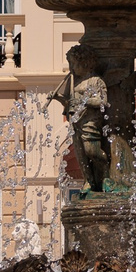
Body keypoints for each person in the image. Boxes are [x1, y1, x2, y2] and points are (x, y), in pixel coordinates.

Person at [52, 45, 113, 193]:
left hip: (90, 120)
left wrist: (86, 101)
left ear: (86, 63)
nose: (72, 67)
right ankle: (88, 182)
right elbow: (68, 102)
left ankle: (106, 173)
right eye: (70, 64)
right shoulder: (72, 81)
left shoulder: (96, 81)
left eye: (75, 64)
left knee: (91, 151)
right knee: (80, 155)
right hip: (76, 121)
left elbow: (103, 102)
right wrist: (58, 98)